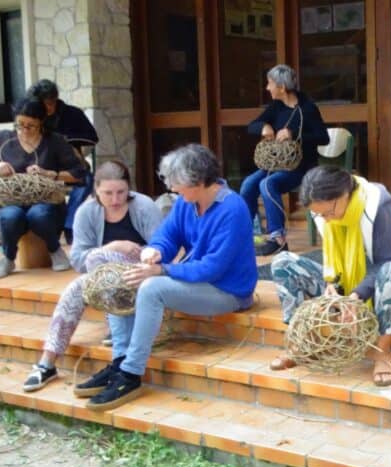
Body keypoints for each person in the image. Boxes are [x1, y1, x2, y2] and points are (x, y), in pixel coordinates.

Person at [77, 144, 258, 411]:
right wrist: (155, 250)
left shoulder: (233, 208)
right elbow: (169, 234)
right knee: (126, 279)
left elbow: (212, 267)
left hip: (228, 291)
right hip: (197, 282)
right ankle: (120, 361)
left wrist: (163, 270)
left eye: (176, 183)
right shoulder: (188, 202)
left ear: (197, 181)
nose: (172, 188)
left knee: (151, 288)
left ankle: (130, 374)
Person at [269, 165, 391, 387]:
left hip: (383, 294)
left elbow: (385, 260)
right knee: (283, 262)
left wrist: (355, 297)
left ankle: (382, 352)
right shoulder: (322, 212)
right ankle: (299, 343)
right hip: (345, 289)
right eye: (319, 214)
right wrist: (330, 283)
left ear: (345, 193)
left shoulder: (376, 205)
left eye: (328, 212)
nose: (325, 219)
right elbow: (331, 257)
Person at [22, 160, 164, 392]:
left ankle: (119, 355)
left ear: (129, 188)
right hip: (102, 276)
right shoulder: (86, 211)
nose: (115, 199)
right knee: (76, 287)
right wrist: (115, 246)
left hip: (142, 272)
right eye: (108, 193)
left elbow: (161, 246)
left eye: (121, 192)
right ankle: (46, 362)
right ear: (96, 190)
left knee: (97, 260)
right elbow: (79, 260)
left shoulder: (144, 206)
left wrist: (140, 254)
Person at [0, 97, 89, 280]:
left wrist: (50, 174)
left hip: (47, 203)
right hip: (12, 202)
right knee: (10, 216)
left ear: (41, 123)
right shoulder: (3, 139)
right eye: (20, 124)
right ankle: (7, 258)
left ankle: (54, 249)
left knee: (39, 214)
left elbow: (79, 173)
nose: (24, 130)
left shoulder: (54, 142)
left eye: (31, 126)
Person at [241, 64, 329, 256]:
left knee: (267, 184)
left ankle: (278, 239)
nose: (267, 88)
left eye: (270, 84)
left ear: (281, 87)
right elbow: (252, 126)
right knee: (248, 184)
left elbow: (323, 138)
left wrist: (294, 133)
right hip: (276, 164)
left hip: (301, 167)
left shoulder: (308, 109)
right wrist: (263, 127)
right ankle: (245, 235)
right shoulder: (276, 108)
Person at [28, 79, 99, 245]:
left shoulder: (72, 113)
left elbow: (92, 138)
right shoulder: (31, 117)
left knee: (87, 180)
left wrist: (65, 141)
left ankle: (69, 225)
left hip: (70, 166)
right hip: (41, 167)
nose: (48, 108)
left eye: (50, 103)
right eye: (43, 105)